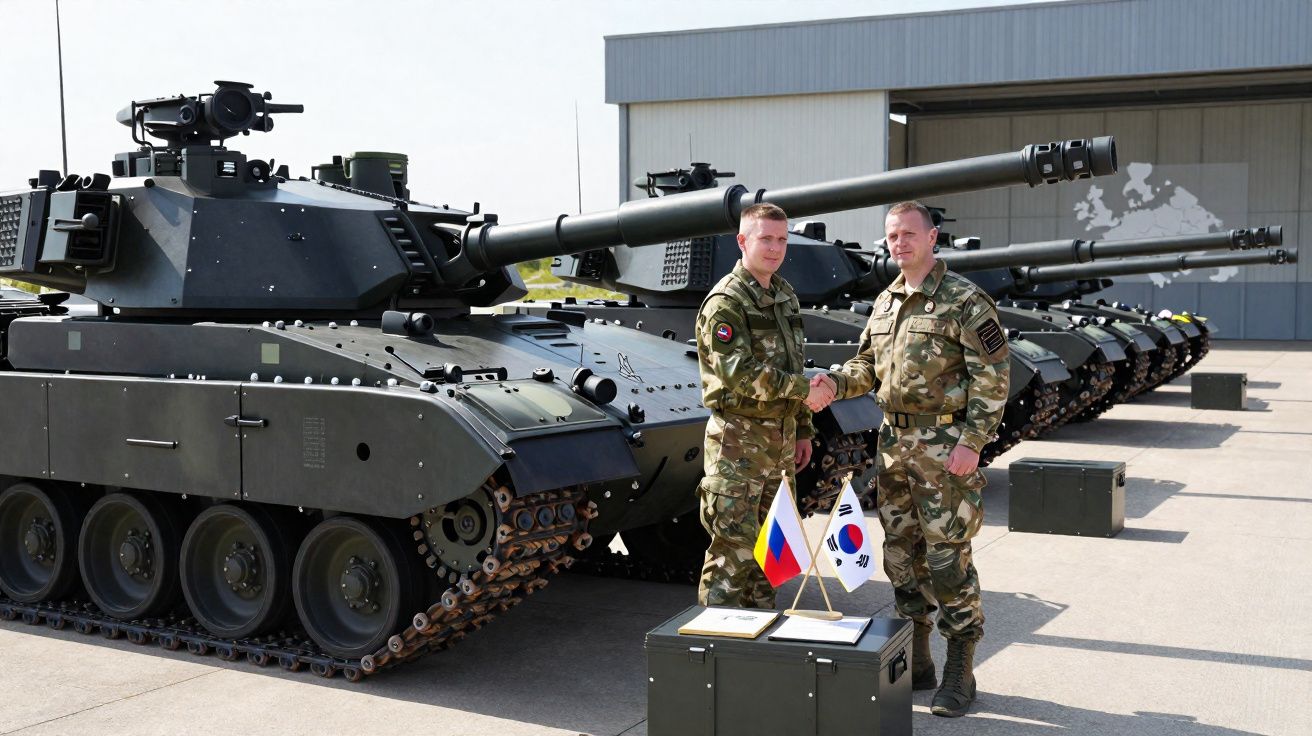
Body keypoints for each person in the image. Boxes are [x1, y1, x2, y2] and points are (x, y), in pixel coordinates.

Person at [809, 201, 1009, 718]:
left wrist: (973, 442)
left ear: (932, 237)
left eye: (908, 234)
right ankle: (917, 661)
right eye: (892, 235)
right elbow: (867, 365)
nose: (899, 243)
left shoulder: (964, 300)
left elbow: (993, 376)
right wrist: (834, 383)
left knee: (948, 559)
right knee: (901, 557)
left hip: (946, 451)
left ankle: (958, 670)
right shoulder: (885, 302)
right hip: (894, 449)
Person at [694, 202, 834, 609]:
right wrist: (803, 390)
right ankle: (716, 648)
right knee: (731, 554)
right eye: (765, 238)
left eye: (781, 239)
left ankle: (759, 637)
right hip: (739, 442)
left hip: (781, 443)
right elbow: (738, 373)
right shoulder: (727, 301)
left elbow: (794, 362)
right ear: (743, 241)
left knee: (773, 554)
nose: (775, 248)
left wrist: (803, 428)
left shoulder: (784, 295)